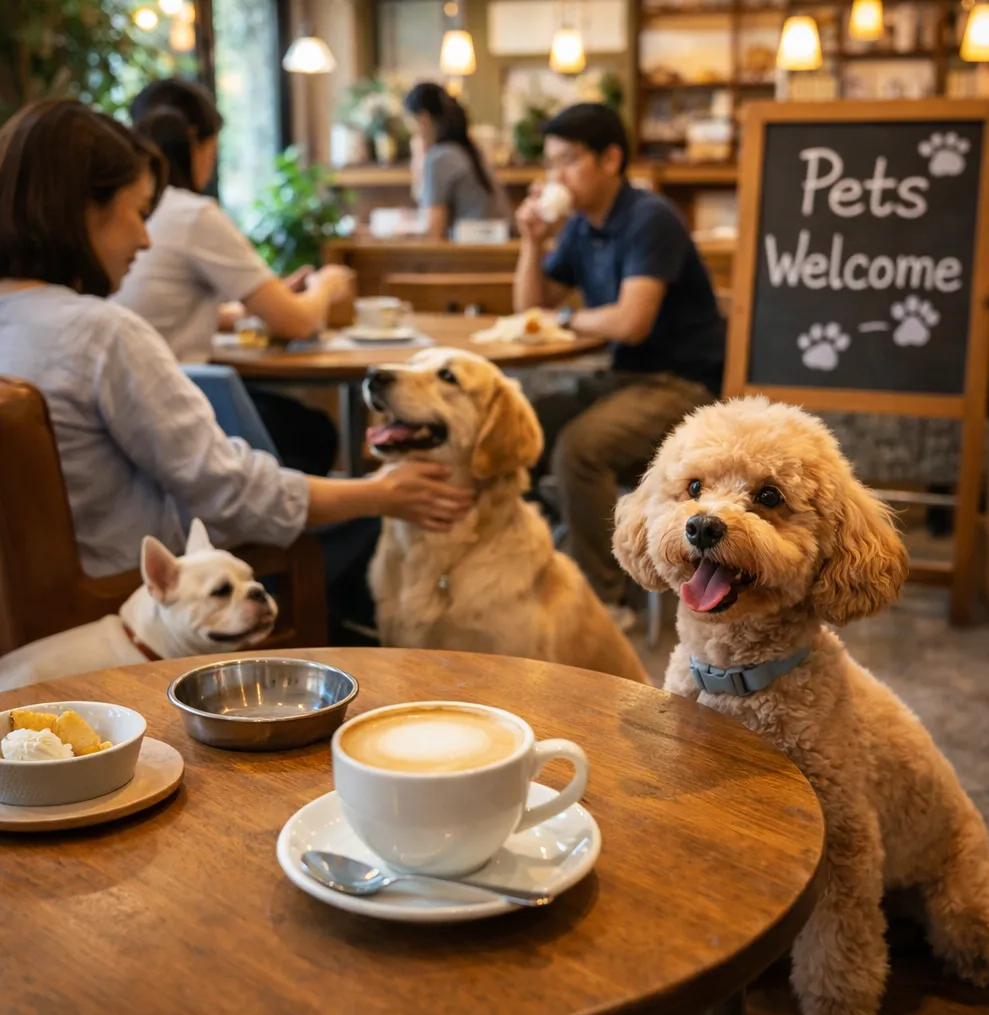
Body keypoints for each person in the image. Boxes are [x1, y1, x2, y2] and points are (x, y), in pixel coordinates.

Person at [0, 100, 473, 637]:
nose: (146, 239)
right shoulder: (102, 335)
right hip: (130, 611)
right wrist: (379, 493)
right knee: (363, 520)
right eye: (137, 211)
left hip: (24, 626)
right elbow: (229, 489)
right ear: (86, 208)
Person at [514, 103, 725, 629]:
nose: (555, 176)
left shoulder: (649, 218)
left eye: (567, 161)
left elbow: (631, 322)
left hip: (681, 384)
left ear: (610, 158)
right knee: (519, 429)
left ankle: (602, 604)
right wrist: (530, 240)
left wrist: (563, 316)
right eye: (550, 164)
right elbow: (527, 309)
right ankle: (532, 565)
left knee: (580, 450)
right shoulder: (581, 228)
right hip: (624, 381)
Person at [113, 77, 349, 475]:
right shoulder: (192, 213)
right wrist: (327, 284)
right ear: (196, 142)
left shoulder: (124, 211)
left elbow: (154, 307)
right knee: (313, 433)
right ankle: (306, 531)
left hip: (128, 406)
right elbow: (301, 322)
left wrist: (241, 312)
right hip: (175, 409)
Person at [405, 82, 508, 240]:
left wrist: (419, 160)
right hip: (493, 244)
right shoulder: (467, 150)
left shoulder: (439, 157)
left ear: (423, 119)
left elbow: (434, 231)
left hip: (469, 253)